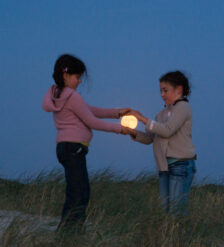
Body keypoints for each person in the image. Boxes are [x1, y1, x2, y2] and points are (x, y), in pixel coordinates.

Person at [42, 54, 133, 230]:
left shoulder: (58, 95)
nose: (79, 81)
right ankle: (71, 232)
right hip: (73, 148)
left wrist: (118, 112)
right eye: (77, 77)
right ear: (65, 75)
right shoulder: (72, 97)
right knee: (80, 193)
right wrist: (120, 129)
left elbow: (90, 110)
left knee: (75, 191)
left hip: (64, 147)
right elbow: (92, 121)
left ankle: (67, 230)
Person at [129, 71, 196, 216]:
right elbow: (150, 138)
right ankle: (170, 238)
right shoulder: (161, 114)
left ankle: (182, 239)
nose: (162, 94)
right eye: (160, 91)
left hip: (180, 164)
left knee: (177, 212)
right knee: (166, 210)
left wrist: (142, 118)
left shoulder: (183, 108)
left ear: (179, 90)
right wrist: (131, 132)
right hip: (164, 168)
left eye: (165, 90)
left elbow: (167, 130)